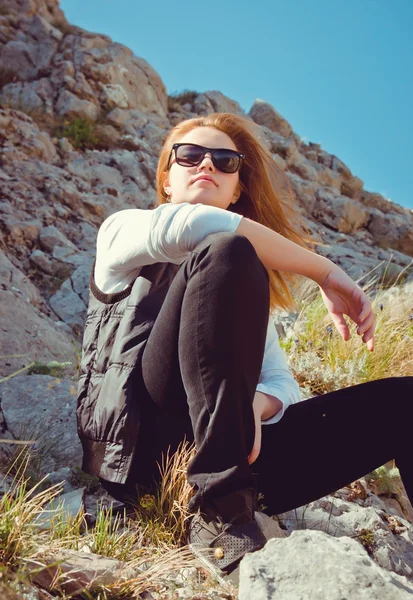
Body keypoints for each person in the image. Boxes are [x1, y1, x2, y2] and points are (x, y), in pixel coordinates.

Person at [76, 112, 413, 584]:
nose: (206, 165)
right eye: (189, 156)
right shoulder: (123, 231)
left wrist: (254, 405)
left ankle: (230, 493)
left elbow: (283, 383)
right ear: (166, 179)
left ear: (237, 189)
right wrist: (324, 272)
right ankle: (220, 512)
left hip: (240, 456)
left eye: (225, 161)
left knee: (406, 402)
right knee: (228, 250)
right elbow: (192, 226)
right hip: (143, 455)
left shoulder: (238, 279)